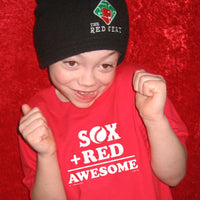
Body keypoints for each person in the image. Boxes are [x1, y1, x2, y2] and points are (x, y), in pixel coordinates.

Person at [18, 0, 188, 199]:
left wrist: (154, 119)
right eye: (72, 63)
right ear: (48, 56)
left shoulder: (139, 89)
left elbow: (174, 176)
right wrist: (47, 155)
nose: (88, 81)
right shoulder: (37, 115)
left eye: (105, 65)